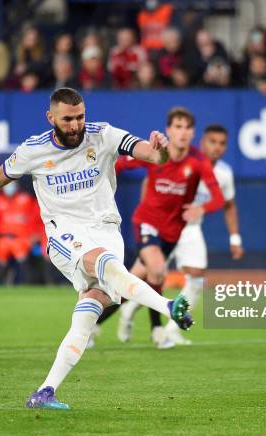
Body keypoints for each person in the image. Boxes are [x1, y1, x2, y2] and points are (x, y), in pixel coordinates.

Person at [0, 87, 193, 410]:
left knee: (90, 310)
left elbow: (152, 156)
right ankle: (168, 307)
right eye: (68, 119)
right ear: (51, 117)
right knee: (105, 265)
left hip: (107, 230)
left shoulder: (104, 135)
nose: (75, 125)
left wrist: (161, 150)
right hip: (64, 236)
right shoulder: (33, 150)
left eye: (80, 117)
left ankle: (45, 391)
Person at [96, 108, 224, 349]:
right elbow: (121, 164)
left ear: (193, 132)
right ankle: (158, 330)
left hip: (172, 232)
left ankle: (96, 325)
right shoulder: (156, 154)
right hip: (146, 222)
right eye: (177, 126)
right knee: (157, 271)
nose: (182, 132)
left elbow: (218, 198)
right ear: (168, 130)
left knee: (131, 283)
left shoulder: (198, 163)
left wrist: (202, 209)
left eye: (187, 127)